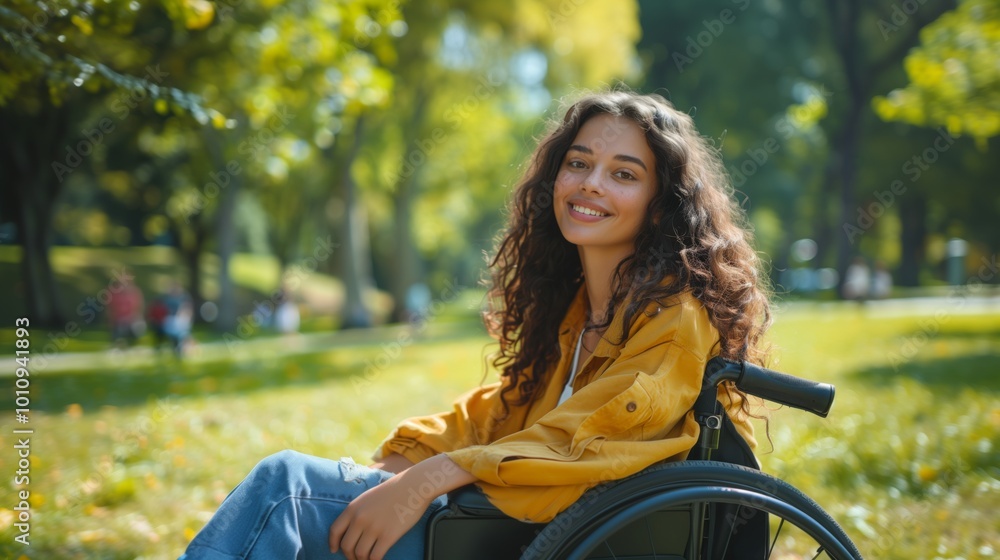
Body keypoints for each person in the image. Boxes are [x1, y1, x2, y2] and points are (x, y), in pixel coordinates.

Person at [178, 90, 772, 560]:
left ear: (661, 203)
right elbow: (499, 411)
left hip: (534, 537)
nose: (590, 183)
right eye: (579, 163)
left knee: (286, 488)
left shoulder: (675, 320)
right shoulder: (578, 316)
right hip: (499, 522)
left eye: (623, 173)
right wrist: (406, 462)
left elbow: (582, 436)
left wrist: (427, 482)